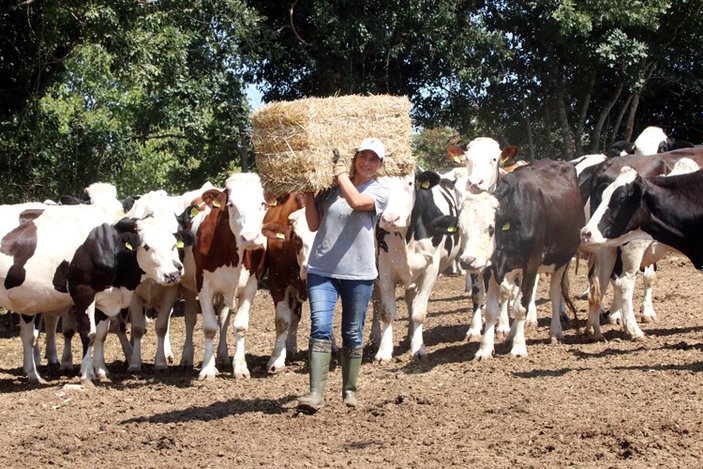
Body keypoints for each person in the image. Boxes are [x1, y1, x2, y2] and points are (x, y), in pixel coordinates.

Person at [297, 137, 389, 413]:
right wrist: (310, 194)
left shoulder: (379, 191)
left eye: (374, 159)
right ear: (355, 157)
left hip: (359, 272)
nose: (368, 163)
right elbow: (313, 225)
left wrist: (338, 174)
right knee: (320, 327)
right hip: (322, 270)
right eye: (364, 156)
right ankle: (315, 394)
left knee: (352, 332)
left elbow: (357, 202)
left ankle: (349, 390)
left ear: (381, 165)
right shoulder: (330, 189)